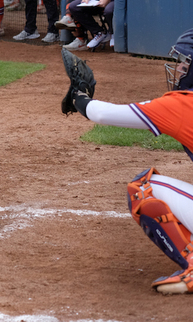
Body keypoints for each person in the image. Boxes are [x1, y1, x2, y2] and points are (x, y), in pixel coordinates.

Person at [67, 27, 193, 294]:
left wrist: (80, 98)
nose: (180, 68)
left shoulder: (183, 105)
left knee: (143, 187)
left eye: (186, 62)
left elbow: (101, 114)